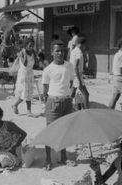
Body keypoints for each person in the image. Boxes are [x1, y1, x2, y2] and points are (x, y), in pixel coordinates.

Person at [42, 40, 74, 171]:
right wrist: (51, 101)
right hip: (53, 103)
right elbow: (45, 89)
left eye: (62, 50)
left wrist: (66, 96)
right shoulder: (48, 70)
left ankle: (64, 158)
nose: (60, 53)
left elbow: (70, 82)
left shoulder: (69, 66)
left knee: (64, 131)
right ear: (52, 53)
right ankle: (48, 160)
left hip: (66, 102)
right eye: (57, 51)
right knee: (50, 132)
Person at [12, 39, 36, 117]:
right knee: (23, 94)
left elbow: (35, 63)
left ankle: (29, 111)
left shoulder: (32, 52)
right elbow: (25, 63)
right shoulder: (22, 52)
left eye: (32, 45)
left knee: (29, 94)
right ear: (26, 45)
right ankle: (15, 105)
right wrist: (24, 53)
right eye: (30, 45)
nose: (31, 47)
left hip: (30, 74)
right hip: (23, 75)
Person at [70, 37, 90, 110]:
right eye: (84, 45)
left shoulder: (73, 51)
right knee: (86, 94)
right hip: (77, 75)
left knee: (72, 94)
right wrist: (79, 80)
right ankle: (87, 110)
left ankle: (69, 106)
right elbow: (76, 67)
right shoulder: (78, 52)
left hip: (73, 74)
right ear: (82, 44)